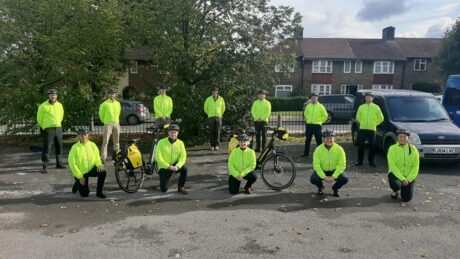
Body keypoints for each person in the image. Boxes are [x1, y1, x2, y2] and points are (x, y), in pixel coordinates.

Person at [68, 127, 107, 199]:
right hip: (81, 173)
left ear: (88, 135)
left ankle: (99, 193)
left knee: (103, 172)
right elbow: (72, 164)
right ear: (78, 136)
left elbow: (97, 157)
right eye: (81, 135)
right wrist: (79, 177)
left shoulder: (92, 145)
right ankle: (77, 183)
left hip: (91, 169)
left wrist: (99, 164)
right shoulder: (74, 148)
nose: (83, 137)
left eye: (85, 134)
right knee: (85, 194)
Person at [310, 129, 348, 197]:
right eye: (327, 138)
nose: (329, 140)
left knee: (344, 179)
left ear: (334, 139)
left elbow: (342, 164)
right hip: (323, 170)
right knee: (313, 179)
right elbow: (316, 165)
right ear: (323, 139)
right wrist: (324, 177)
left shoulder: (339, 149)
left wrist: (334, 176)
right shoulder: (318, 149)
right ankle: (320, 187)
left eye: (331, 138)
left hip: (334, 170)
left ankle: (335, 188)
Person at [36, 88, 65, 173]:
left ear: (57, 96)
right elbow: (39, 119)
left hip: (58, 128)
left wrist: (58, 123)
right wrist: (44, 126)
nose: (53, 96)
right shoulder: (43, 106)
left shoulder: (60, 105)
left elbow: (61, 115)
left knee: (59, 146)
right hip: (48, 129)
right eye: (51, 94)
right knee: (47, 148)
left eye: (55, 94)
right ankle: (44, 166)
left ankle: (59, 163)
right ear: (48, 96)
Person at [387, 128, 419, 203]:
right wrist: (402, 179)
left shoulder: (414, 149)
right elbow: (392, 166)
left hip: (408, 177)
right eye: (400, 136)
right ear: (397, 137)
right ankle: (395, 191)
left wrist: (408, 179)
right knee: (396, 185)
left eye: (404, 137)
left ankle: (404, 190)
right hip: (396, 175)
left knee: (407, 198)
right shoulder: (392, 149)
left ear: (408, 138)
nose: (402, 138)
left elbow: (415, 166)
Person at [155, 124, 188, 194]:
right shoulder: (161, 142)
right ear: (168, 133)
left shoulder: (180, 143)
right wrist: (169, 166)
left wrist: (178, 166)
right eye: (171, 132)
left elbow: (183, 156)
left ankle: (181, 187)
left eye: (175, 132)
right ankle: (167, 179)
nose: (173, 134)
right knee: (164, 189)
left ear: (177, 133)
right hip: (165, 166)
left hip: (175, 165)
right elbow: (158, 156)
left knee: (184, 169)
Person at [355, 93, 384, 167]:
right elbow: (358, 117)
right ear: (365, 98)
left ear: (372, 99)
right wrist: (362, 123)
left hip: (372, 129)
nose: (368, 99)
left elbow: (381, 118)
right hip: (362, 129)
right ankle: (359, 160)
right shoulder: (361, 107)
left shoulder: (376, 107)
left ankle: (371, 161)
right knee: (360, 145)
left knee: (372, 146)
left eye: (370, 97)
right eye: (367, 97)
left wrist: (374, 123)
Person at [302, 93, 328, 157]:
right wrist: (307, 120)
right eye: (312, 98)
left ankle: (320, 154)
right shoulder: (308, 106)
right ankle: (306, 153)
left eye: (315, 97)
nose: (313, 99)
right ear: (311, 98)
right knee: (307, 140)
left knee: (319, 141)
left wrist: (320, 121)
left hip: (317, 125)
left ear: (317, 98)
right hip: (309, 125)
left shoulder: (321, 106)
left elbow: (325, 115)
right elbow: (305, 114)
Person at [99, 87, 121, 162]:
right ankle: (103, 158)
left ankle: (116, 157)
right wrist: (106, 121)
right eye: (111, 93)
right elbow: (101, 115)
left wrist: (116, 121)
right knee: (105, 141)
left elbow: (118, 113)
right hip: (108, 124)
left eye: (114, 93)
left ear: (115, 94)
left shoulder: (118, 103)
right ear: (108, 94)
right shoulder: (104, 104)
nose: (112, 95)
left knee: (117, 141)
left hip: (116, 123)